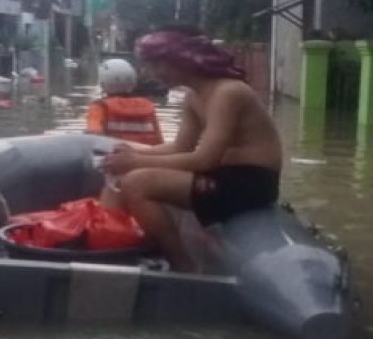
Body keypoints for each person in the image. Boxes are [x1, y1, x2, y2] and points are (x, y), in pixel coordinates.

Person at [101, 27, 284, 271]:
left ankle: (182, 265)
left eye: (157, 64)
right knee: (120, 174)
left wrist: (136, 161)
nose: (151, 73)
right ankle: (108, 248)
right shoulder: (193, 97)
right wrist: (131, 154)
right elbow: (180, 146)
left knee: (137, 183)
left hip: (250, 183)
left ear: (184, 58)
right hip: (222, 175)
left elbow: (205, 159)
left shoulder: (228, 92)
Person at [86, 59, 164, 146]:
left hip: (114, 153)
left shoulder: (99, 107)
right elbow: (159, 142)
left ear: (103, 83)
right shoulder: (148, 106)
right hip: (146, 153)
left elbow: (93, 139)